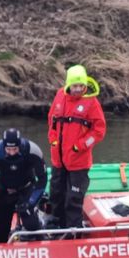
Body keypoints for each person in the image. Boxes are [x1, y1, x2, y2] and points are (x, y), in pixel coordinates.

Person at [47, 64, 107, 231]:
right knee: (56, 193)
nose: (78, 89)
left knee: (73, 198)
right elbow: (52, 119)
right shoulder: (60, 96)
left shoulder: (91, 102)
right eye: (75, 86)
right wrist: (52, 139)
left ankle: (73, 231)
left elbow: (99, 130)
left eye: (81, 86)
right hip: (59, 159)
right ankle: (55, 224)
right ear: (68, 85)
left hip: (78, 161)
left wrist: (80, 146)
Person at [0, 128, 47, 244]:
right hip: (5, 190)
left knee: (29, 219)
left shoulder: (33, 151)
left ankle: (39, 230)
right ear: (3, 146)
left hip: (26, 188)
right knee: (1, 228)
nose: (12, 152)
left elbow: (42, 179)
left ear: (20, 145)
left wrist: (31, 202)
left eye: (15, 149)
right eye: (8, 149)